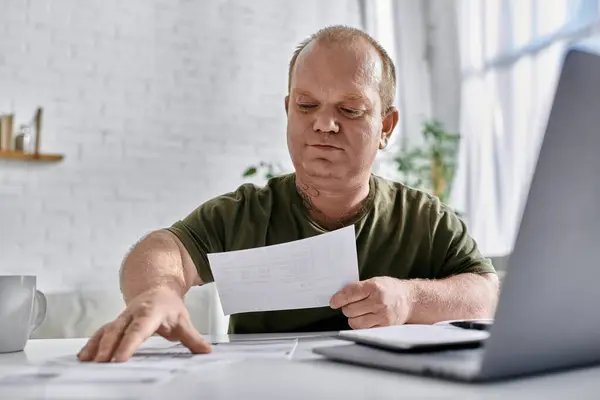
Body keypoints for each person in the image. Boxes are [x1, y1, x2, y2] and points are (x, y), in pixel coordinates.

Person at [78, 25, 499, 363]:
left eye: (349, 110)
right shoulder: (247, 213)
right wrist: (159, 292)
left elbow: (485, 293)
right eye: (306, 105)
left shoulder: (423, 218)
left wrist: (410, 299)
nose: (324, 124)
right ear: (287, 110)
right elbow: (162, 249)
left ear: (386, 127)